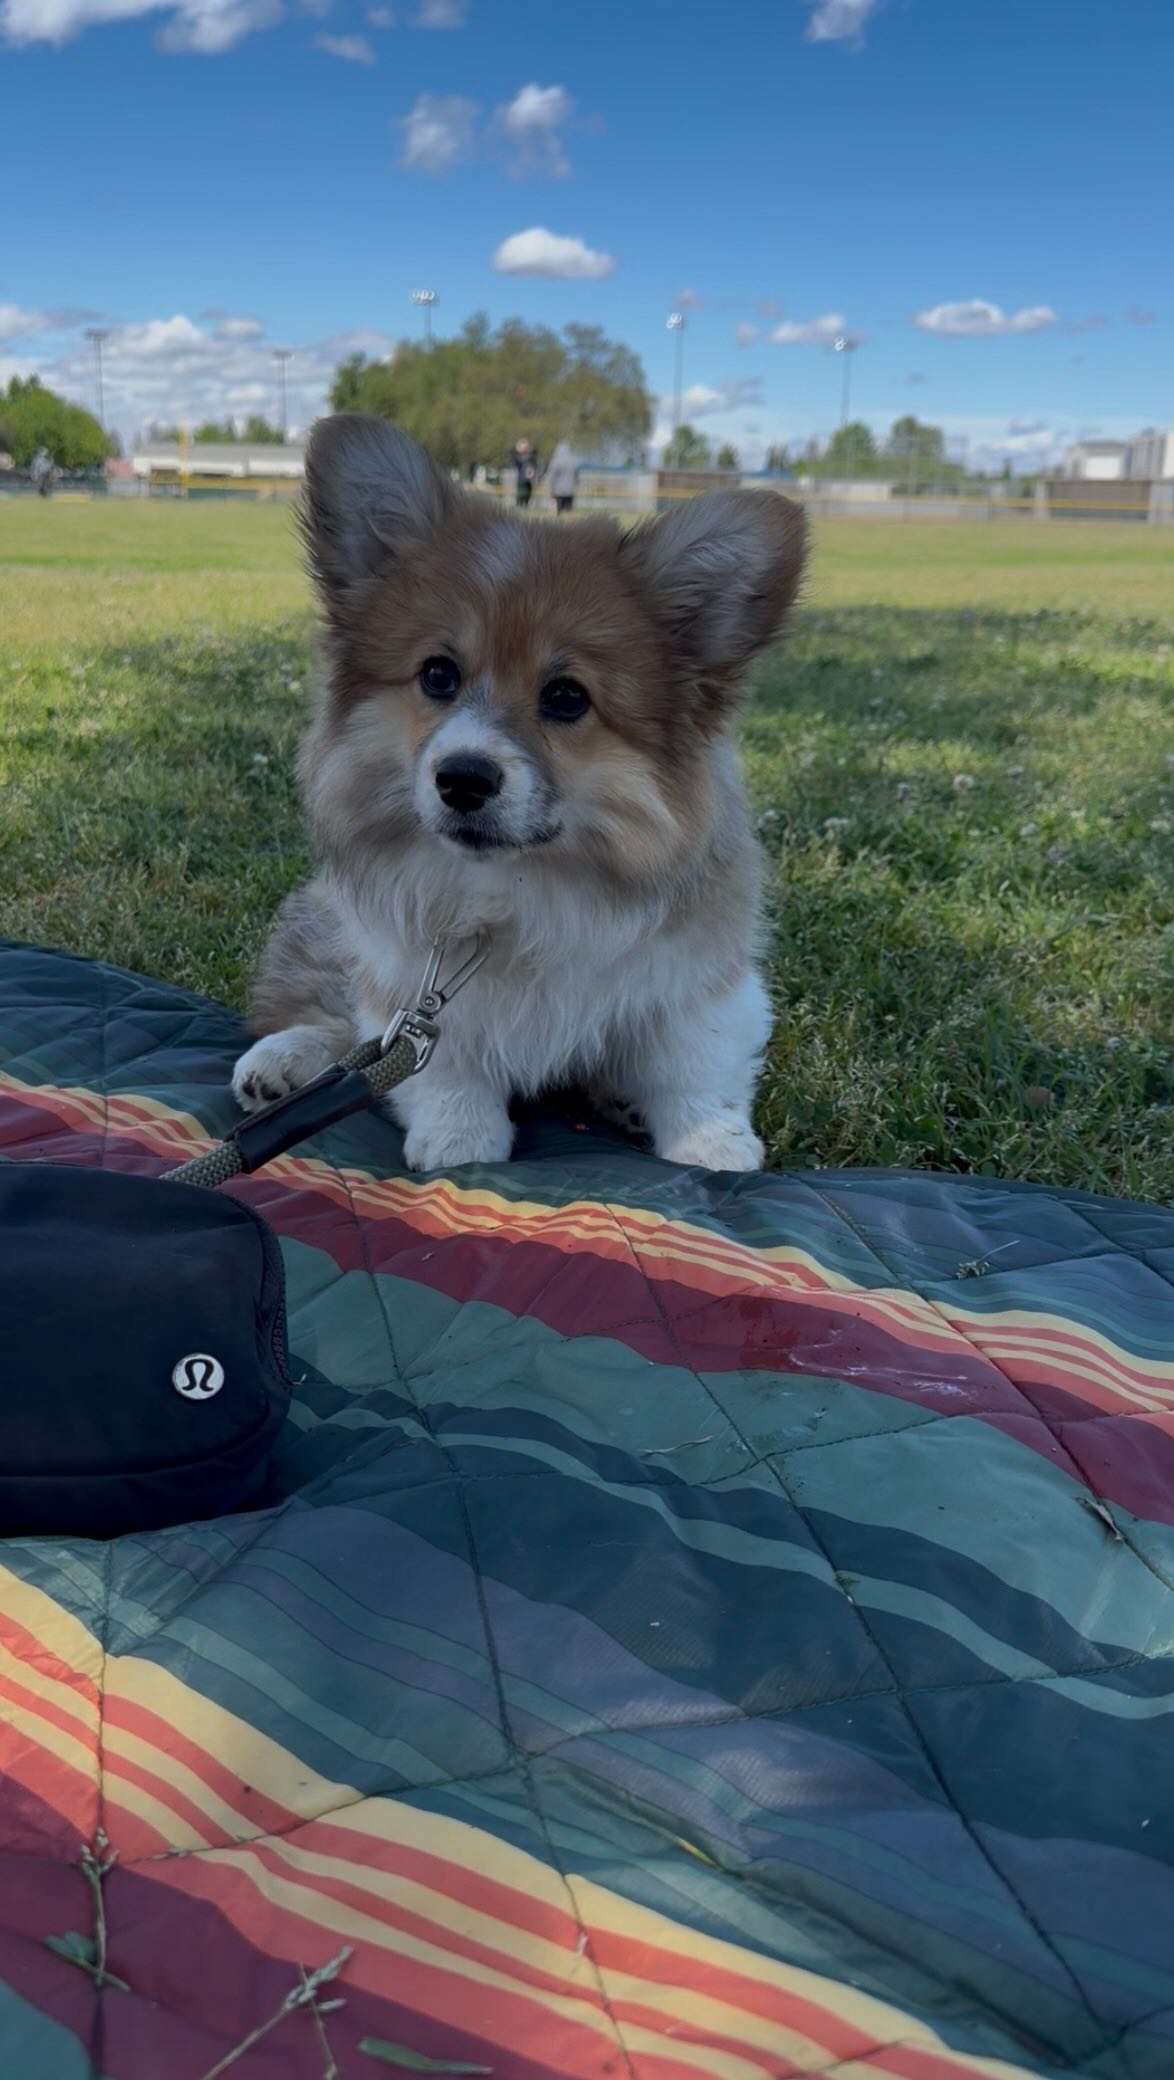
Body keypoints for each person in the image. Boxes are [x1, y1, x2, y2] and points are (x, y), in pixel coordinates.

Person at [546, 440, 579, 516]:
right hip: (570, 490)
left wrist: (550, 488)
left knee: (556, 511)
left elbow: (552, 476)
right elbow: (576, 476)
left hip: (557, 490)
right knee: (569, 510)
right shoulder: (573, 461)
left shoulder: (555, 461)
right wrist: (575, 484)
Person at [510, 436, 538, 508]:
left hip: (529, 480)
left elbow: (535, 453)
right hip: (521, 480)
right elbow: (511, 452)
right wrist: (517, 447)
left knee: (527, 496)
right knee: (521, 496)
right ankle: (519, 507)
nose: (524, 449)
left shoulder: (531, 456)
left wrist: (529, 449)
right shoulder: (518, 456)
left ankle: (524, 507)